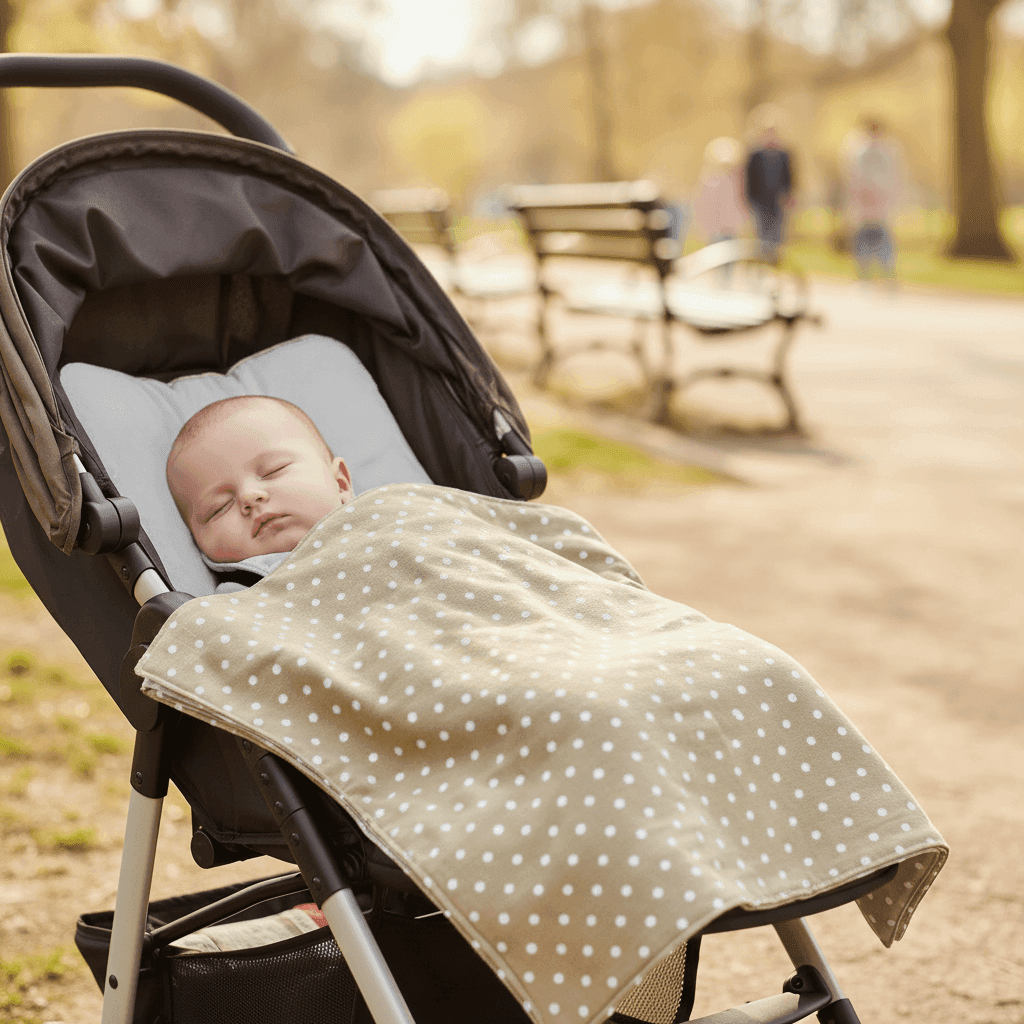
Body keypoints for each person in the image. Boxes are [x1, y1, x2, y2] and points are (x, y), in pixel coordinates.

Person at [166, 395, 354, 589]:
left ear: (340, 483)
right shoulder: (235, 600)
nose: (249, 496)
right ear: (199, 545)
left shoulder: (375, 518)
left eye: (274, 470)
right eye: (220, 507)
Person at [844, 116, 903, 282]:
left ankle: (884, 271)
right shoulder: (861, 150)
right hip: (865, 204)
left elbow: (893, 178)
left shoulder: (886, 151)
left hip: (880, 205)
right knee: (866, 239)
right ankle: (866, 273)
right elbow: (855, 177)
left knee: (881, 238)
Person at [744, 106, 795, 263]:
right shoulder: (754, 155)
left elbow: (790, 177)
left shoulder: (784, 154)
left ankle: (774, 260)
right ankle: (763, 260)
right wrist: (750, 199)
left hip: (778, 200)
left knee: (777, 233)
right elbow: (749, 179)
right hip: (760, 200)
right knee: (762, 233)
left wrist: (789, 195)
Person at [693, 136, 747, 246]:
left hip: (730, 228)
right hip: (715, 230)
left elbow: (737, 205)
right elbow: (703, 206)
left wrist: (739, 223)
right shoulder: (709, 182)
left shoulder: (735, 182)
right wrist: (705, 227)